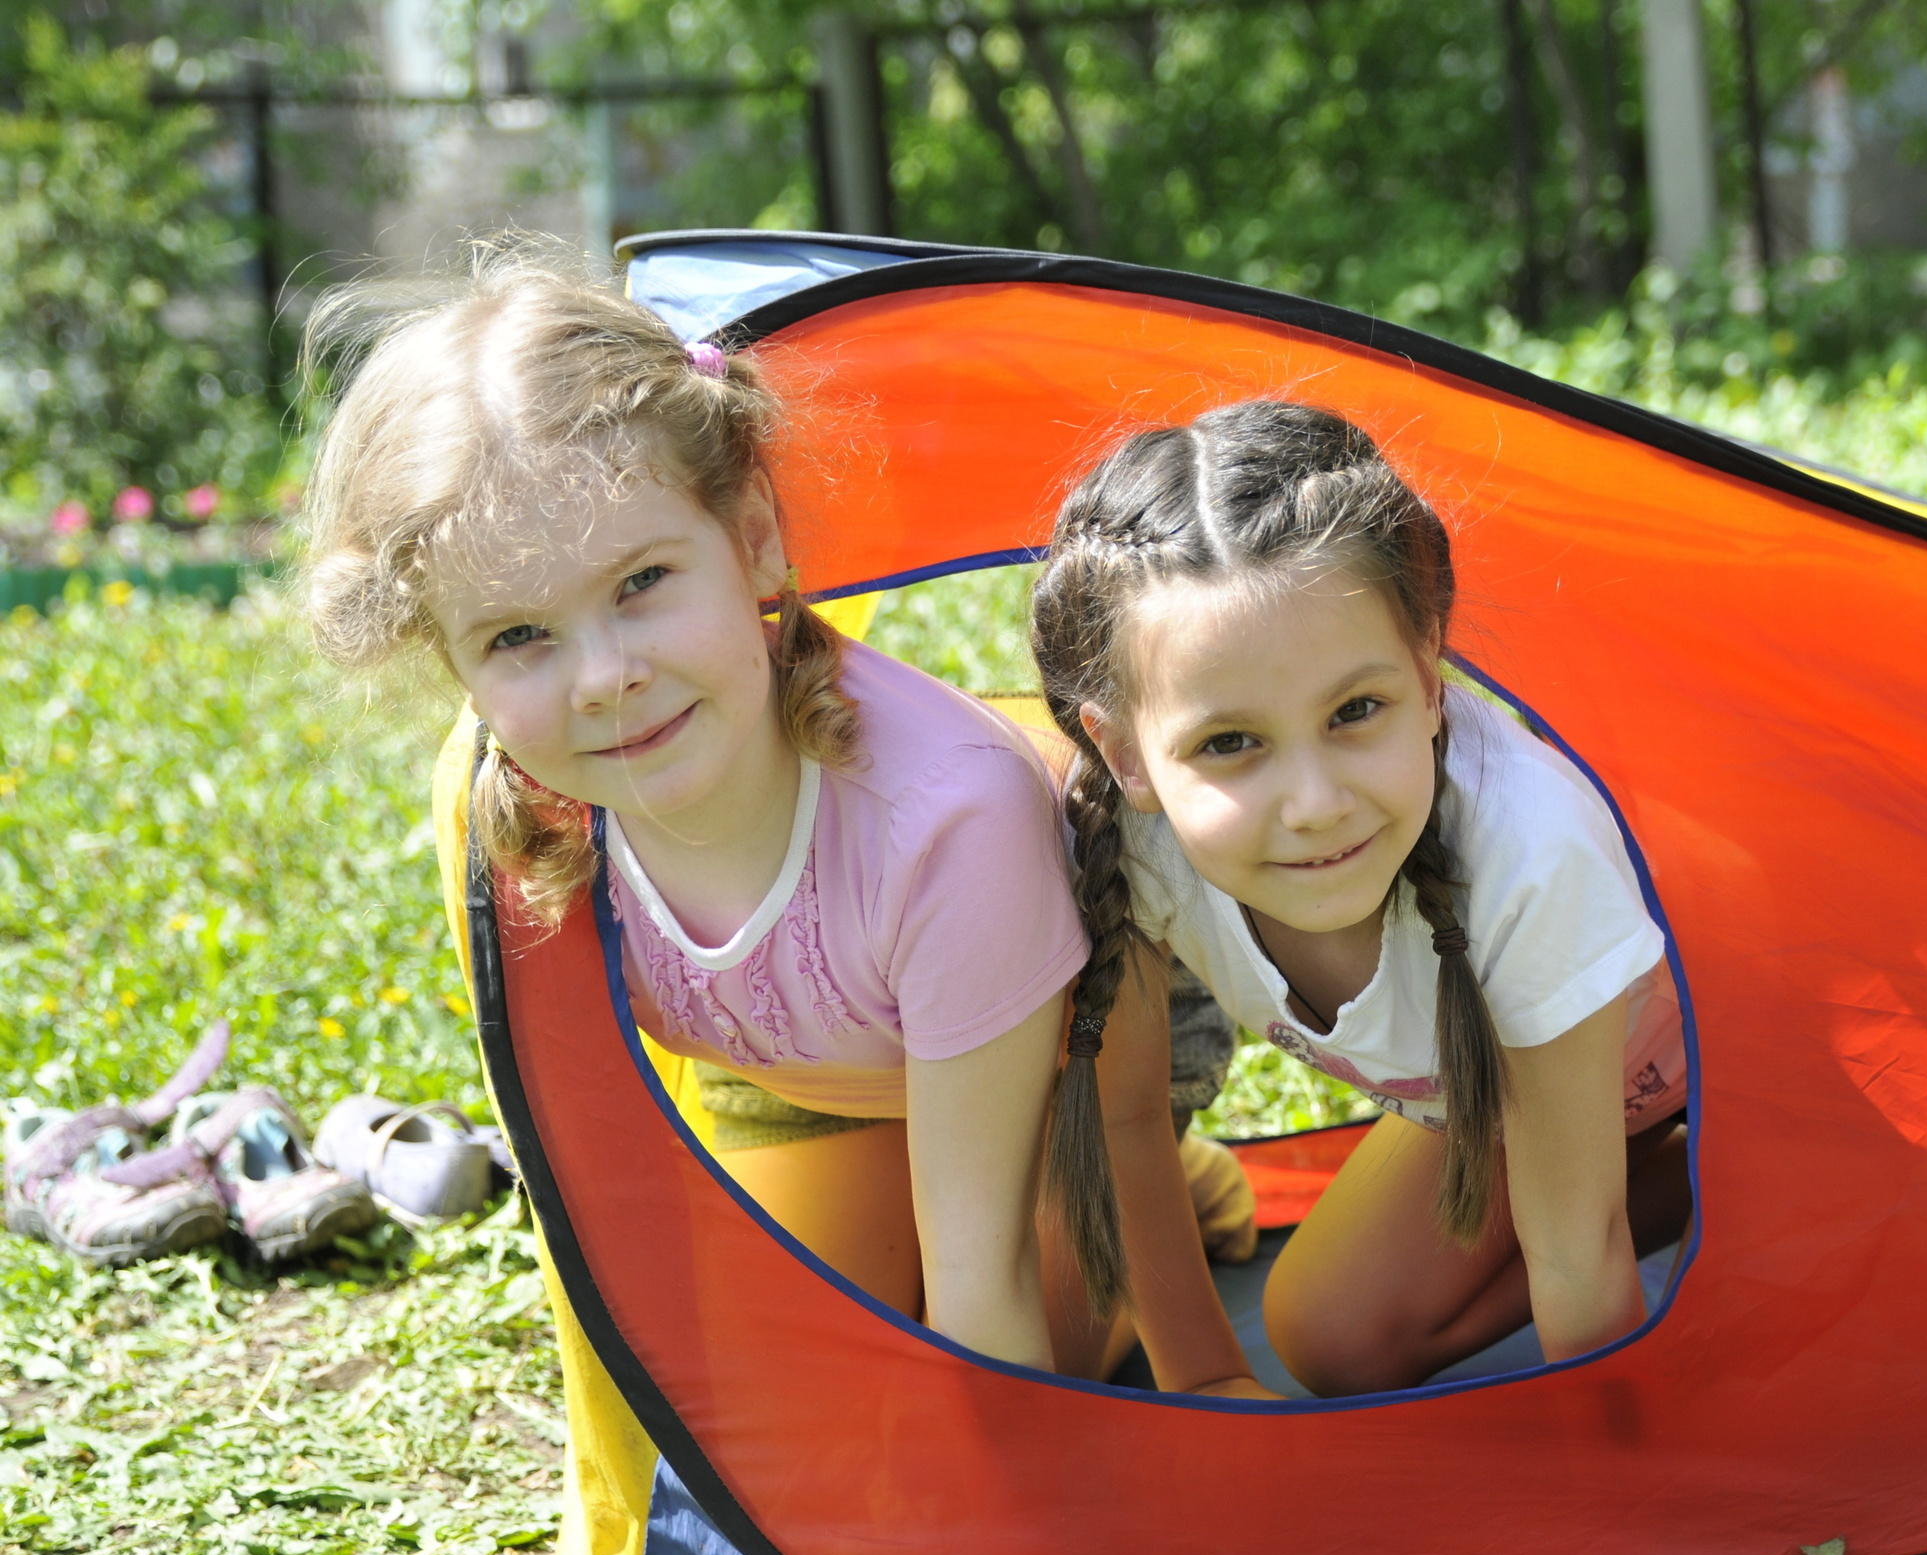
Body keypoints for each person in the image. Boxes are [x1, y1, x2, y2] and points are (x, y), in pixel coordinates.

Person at [295, 249, 1106, 1372]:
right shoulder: (519, 798)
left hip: (1067, 1063)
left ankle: (1186, 1185)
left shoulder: (944, 824)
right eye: (519, 636)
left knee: (1010, 1348)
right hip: (803, 1073)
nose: (602, 676)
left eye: (641, 584)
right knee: (794, 1375)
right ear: (456, 663)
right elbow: (605, 1226)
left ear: (755, 539)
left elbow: (986, 1289)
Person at [1031, 400, 1693, 1396]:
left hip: (1748, 1076)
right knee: (1326, 1332)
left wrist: (1609, 1494)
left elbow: (1575, 1254)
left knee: (1716, 1260)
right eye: (1229, 743)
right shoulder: (1135, 846)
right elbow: (1127, 1118)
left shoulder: (1528, 856)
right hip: (1522, 1104)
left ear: (1429, 677)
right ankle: (1670, 1181)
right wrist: (1208, 1380)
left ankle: (1711, 1175)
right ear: (1124, 752)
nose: (1313, 804)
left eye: (1354, 711)